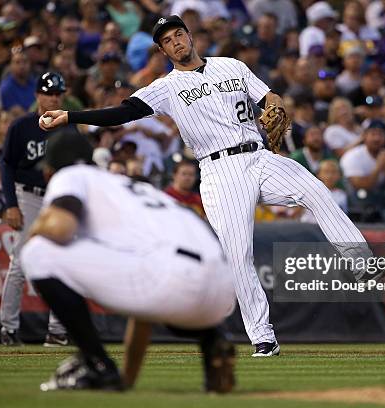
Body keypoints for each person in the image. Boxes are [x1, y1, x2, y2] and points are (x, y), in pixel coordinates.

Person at [40, 16, 385, 356]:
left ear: (190, 36)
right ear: (163, 51)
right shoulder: (166, 87)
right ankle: (263, 338)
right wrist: (71, 116)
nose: (176, 42)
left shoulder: (232, 65)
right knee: (239, 253)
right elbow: (121, 112)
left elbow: (270, 98)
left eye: (179, 34)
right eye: (167, 41)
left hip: (259, 156)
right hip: (219, 170)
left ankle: (360, 263)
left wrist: (276, 105)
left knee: (317, 190)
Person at [20, 129, 236, 392]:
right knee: (161, 287)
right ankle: (213, 339)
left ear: (49, 170)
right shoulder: (132, 186)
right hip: (219, 292)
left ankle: (95, 363)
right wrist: (125, 381)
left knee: (37, 252)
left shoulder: (71, 175)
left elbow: (61, 227)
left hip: (171, 279)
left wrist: (33, 228)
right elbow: (141, 314)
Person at [0, 72, 73, 347]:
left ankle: (57, 330)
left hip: (57, 198)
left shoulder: (68, 126)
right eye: (48, 92)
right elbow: (6, 165)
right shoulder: (22, 126)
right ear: (38, 95)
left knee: (60, 261)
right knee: (20, 261)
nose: (53, 97)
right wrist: (11, 204)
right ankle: (8, 328)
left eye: (58, 93)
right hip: (27, 195)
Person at [340, 120, 385, 191]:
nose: (377, 138)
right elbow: (361, 187)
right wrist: (378, 167)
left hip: (381, 199)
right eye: (373, 134)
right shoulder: (352, 156)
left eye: (380, 134)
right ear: (364, 136)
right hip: (354, 199)